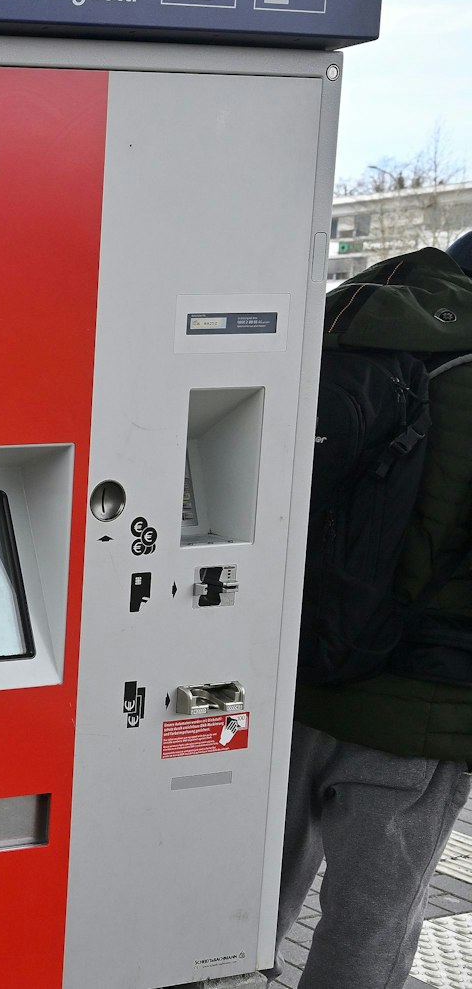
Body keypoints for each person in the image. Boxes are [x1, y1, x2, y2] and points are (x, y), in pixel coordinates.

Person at [275, 237, 472, 987]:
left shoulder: (351, 324)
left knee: (232, 915)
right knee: (367, 932)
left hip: (293, 675)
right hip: (415, 715)